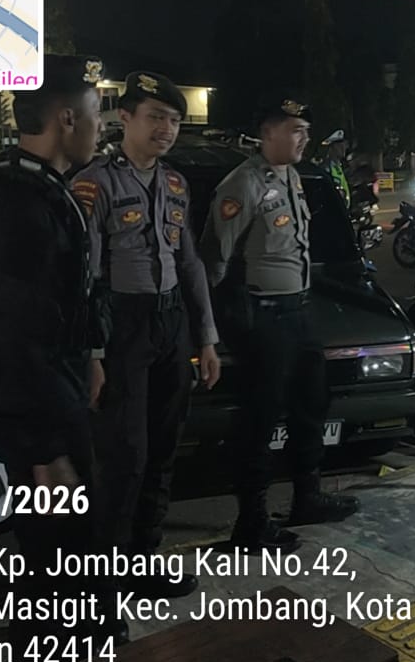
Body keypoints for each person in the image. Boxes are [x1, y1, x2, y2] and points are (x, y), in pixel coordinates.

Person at [0, 54, 116, 662]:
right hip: (33, 401)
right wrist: (46, 450)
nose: (100, 129)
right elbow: (15, 332)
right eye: (95, 116)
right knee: (57, 554)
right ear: (66, 118)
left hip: (38, 388)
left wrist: (88, 357)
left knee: (63, 549)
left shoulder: (12, 184)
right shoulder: (20, 205)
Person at [71, 71, 221, 597]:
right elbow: (84, 277)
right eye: (155, 117)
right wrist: (92, 353)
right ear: (125, 118)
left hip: (170, 323)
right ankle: (107, 575)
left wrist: (206, 338)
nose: (166, 129)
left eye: (174, 120)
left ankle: (144, 560)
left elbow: (190, 263)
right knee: (124, 456)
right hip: (122, 327)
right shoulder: (95, 183)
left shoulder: (175, 183)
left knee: (162, 449)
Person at [201, 98, 359, 553]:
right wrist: (212, 324)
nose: (304, 138)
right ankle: (251, 521)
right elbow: (213, 260)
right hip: (263, 316)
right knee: (261, 415)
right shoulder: (243, 184)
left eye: (306, 129)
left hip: (297, 311)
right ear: (268, 133)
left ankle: (307, 497)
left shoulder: (292, 177)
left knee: (312, 402)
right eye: (295, 129)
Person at [320, 129, 351, 206]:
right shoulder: (326, 168)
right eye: (340, 146)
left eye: (344, 145)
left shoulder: (339, 166)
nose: (344, 148)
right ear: (331, 148)